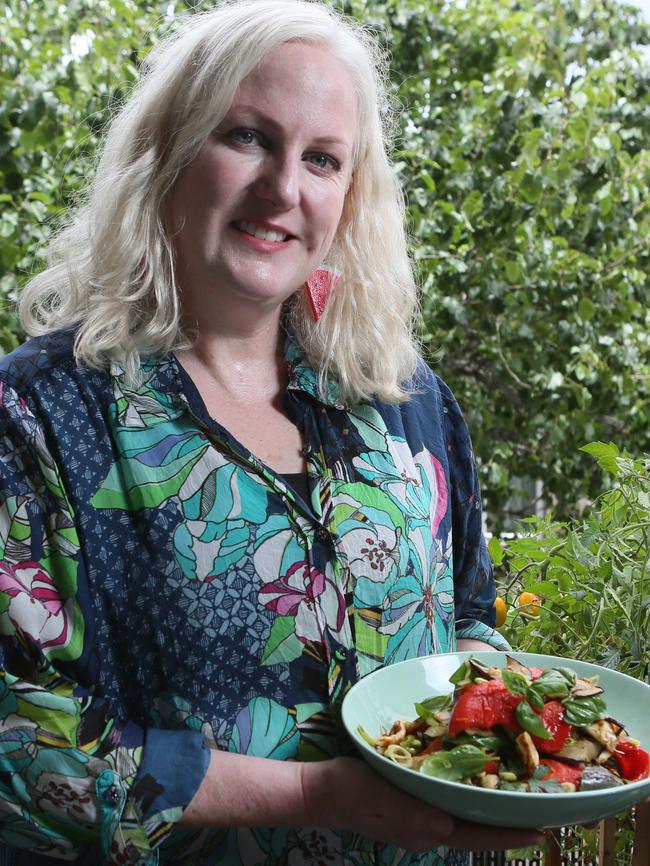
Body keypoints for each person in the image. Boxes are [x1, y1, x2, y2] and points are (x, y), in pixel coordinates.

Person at [0, 2, 544, 864]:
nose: (284, 189)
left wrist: (520, 731)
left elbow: (468, 619)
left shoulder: (403, 399)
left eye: (322, 159)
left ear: (349, 194)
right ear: (170, 151)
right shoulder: (38, 415)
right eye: (248, 137)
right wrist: (316, 793)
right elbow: (21, 757)